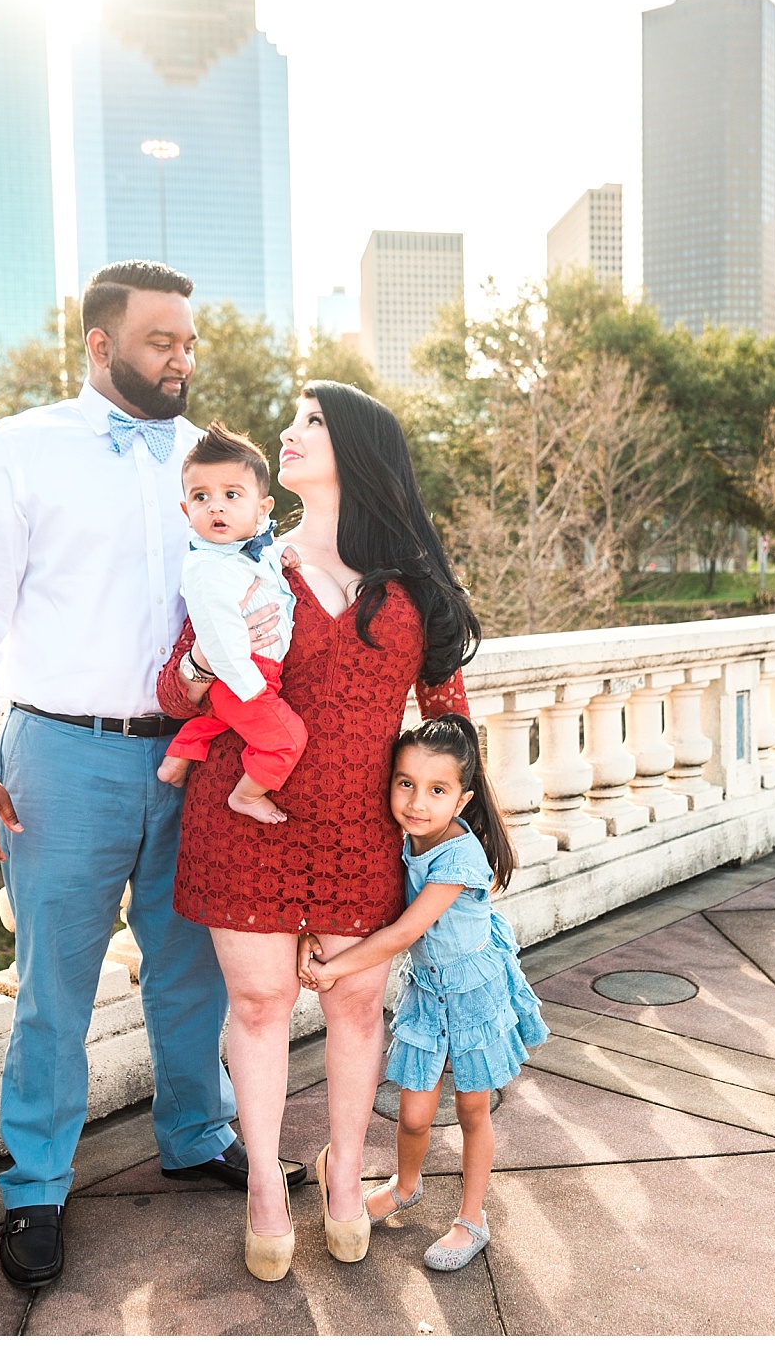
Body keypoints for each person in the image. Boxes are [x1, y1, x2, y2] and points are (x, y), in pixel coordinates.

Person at [0, 260, 300, 1292]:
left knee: (190, 971)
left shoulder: (209, 465)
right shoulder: (19, 451)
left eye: (188, 343)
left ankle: (194, 1133)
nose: (181, 361)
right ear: (99, 345)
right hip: (59, 756)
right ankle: (37, 1186)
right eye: (159, 343)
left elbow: (256, 594)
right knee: (53, 987)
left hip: (197, 754)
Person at [155, 382, 480, 1282]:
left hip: (360, 832)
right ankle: (266, 1186)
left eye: (311, 423)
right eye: (289, 421)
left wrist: (453, 833)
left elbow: (447, 718)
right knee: (258, 1008)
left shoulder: (412, 582)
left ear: (361, 449)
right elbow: (172, 690)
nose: (288, 435)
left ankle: (344, 1180)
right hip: (245, 818)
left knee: (355, 1005)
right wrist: (195, 664)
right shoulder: (249, 560)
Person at [299, 713, 546, 1273]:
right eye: (405, 783)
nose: (416, 801)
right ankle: (404, 1185)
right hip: (430, 990)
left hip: (473, 989)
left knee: (471, 1108)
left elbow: (405, 932)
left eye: (437, 790)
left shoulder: (458, 856)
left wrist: (334, 968)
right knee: (413, 1114)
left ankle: (472, 1218)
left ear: (462, 800)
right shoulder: (404, 835)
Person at [156, 427, 305, 825]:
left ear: (262, 509)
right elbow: (218, 638)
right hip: (244, 675)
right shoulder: (207, 568)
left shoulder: (246, 549)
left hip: (252, 675)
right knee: (289, 739)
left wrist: (281, 552)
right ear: (186, 511)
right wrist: (250, 688)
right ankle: (248, 795)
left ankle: (179, 755)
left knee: (221, 720)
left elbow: (261, 551)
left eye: (231, 495)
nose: (216, 508)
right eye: (201, 497)